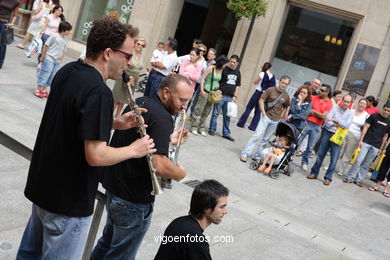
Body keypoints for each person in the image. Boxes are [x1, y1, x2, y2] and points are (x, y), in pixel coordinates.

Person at [15, 16, 157, 260]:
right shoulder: (99, 91)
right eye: (127, 56)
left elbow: (69, 118)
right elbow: (96, 155)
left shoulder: (68, 71)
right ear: (108, 53)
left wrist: (113, 122)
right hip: (68, 202)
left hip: (43, 191)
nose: (130, 63)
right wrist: (135, 149)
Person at [91, 74, 193, 260]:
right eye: (182, 100)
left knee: (107, 243)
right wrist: (181, 174)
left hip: (115, 189)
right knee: (121, 254)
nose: (184, 106)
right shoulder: (163, 119)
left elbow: (146, 144)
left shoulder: (141, 101)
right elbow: (160, 165)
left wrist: (169, 142)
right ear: (166, 92)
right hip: (133, 200)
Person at [154, 179, 229, 260]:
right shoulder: (197, 241)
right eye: (222, 207)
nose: (225, 211)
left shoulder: (178, 222)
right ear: (207, 209)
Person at [240, 75, 291, 162]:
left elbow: (287, 106)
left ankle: (257, 156)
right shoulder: (271, 89)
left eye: (286, 84)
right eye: (283, 82)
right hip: (266, 117)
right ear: (279, 82)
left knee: (265, 139)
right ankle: (245, 153)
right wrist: (263, 112)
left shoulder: (286, 96)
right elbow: (261, 100)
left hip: (275, 120)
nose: (284, 85)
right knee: (257, 135)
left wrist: (283, 115)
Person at [307, 95, 354, 185]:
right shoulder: (334, 108)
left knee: (334, 158)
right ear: (342, 100)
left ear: (350, 103)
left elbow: (346, 125)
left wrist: (334, 120)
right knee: (320, 154)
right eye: (345, 101)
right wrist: (338, 123)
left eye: (348, 102)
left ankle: (328, 178)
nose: (346, 103)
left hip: (338, 136)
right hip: (328, 133)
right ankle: (314, 173)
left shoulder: (350, 114)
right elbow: (327, 121)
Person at [343, 103, 390, 187]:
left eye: (388, 111)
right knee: (358, 160)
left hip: (376, 146)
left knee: (367, 164)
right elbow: (365, 127)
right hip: (366, 142)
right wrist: (361, 140)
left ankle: (359, 179)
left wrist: (381, 148)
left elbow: (385, 136)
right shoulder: (374, 116)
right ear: (383, 109)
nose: (386, 112)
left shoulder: (389, 122)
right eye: (385, 109)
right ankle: (350, 177)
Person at [191, 55, 229, 136]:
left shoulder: (221, 70)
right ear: (221, 62)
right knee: (199, 109)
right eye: (225, 63)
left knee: (207, 111)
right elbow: (203, 78)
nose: (226, 65)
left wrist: (218, 84)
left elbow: (218, 80)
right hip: (205, 91)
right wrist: (201, 90)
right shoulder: (211, 68)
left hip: (213, 93)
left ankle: (201, 128)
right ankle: (194, 127)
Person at [33, 21, 72, 98]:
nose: (69, 32)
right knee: (45, 73)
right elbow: (46, 46)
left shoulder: (65, 40)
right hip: (49, 58)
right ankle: (38, 89)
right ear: (64, 30)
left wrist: (61, 60)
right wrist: (42, 57)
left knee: (52, 75)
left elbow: (63, 51)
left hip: (56, 61)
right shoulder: (54, 36)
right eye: (68, 30)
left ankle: (44, 90)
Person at [299, 84, 333, 171]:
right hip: (307, 122)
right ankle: (289, 156)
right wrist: (317, 113)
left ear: (327, 92)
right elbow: (308, 110)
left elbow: (323, 116)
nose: (320, 91)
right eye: (320, 89)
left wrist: (314, 112)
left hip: (317, 126)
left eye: (322, 90)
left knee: (310, 147)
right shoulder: (314, 98)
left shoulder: (329, 104)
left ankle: (304, 162)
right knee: (297, 140)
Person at [208, 55, 241, 141]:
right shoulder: (224, 69)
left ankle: (226, 133)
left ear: (237, 63)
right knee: (215, 113)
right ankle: (212, 129)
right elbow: (218, 80)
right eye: (231, 61)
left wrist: (235, 96)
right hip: (221, 95)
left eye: (234, 62)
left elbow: (237, 85)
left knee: (227, 116)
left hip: (230, 97)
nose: (232, 63)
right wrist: (218, 91)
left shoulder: (238, 72)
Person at [112, 36, 147, 117]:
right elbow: (122, 63)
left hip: (133, 79)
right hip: (124, 76)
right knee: (116, 99)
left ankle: (117, 117)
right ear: (134, 44)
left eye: (142, 45)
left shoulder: (141, 56)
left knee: (124, 99)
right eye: (138, 44)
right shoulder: (130, 53)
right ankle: (108, 116)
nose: (140, 46)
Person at [237, 62, 276, 131]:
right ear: (270, 68)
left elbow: (255, 82)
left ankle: (241, 123)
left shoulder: (262, 74)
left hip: (258, 93)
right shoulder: (272, 76)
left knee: (249, 108)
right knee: (258, 111)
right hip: (264, 96)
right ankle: (253, 127)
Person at [335, 98, 369, 176]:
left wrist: (361, 139)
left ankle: (341, 169)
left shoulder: (367, 115)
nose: (361, 105)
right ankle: (331, 165)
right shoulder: (351, 111)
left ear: (366, 106)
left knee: (348, 153)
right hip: (344, 132)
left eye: (364, 104)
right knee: (338, 149)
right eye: (361, 103)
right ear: (358, 103)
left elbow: (366, 128)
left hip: (356, 135)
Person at [0, 0, 19, 69]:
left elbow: (15, 15)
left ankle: (0, 62)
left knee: (2, 44)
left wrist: (11, 23)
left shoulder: (16, 2)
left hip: (5, 24)